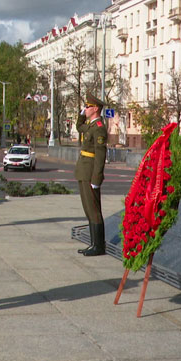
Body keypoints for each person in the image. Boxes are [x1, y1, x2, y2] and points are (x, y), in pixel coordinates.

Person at [75, 92, 108, 256]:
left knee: (94, 210)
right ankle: (93, 244)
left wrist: (97, 178)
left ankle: (99, 246)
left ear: (95, 108)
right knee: (88, 209)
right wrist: (81, 115)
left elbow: (101, 156)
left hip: (90, 173)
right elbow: (79, 127)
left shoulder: (99, 129)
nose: (85, 109)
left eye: (87, 107)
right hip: (83, 170)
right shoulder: (91, 125)